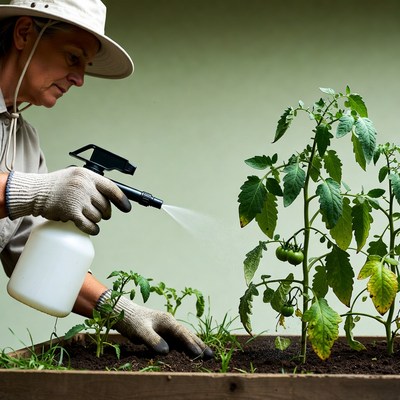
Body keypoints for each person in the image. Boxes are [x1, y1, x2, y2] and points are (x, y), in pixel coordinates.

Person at [0, 0, 212, 359]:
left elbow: (30, 257)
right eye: (72, 58)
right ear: (24, 33)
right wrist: (36, 190)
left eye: (85, 66)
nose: (79, 79)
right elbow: (29, 194)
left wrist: (121, 311)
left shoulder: (22, 140)